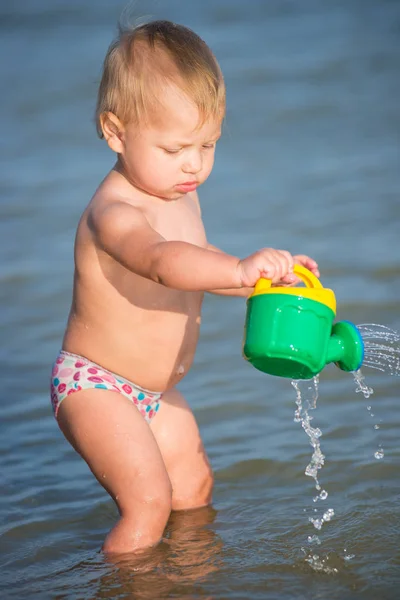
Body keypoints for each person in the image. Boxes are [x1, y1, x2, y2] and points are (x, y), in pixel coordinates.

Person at [50, 19, 320, 555]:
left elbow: (202, 263)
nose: (194, 164)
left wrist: (261, 282)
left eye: (208, 144)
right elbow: (161, 262)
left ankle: (190, 579)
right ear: (115, 131)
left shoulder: (180, 192)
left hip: (156, 392)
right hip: (96, 387)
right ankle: (126, 587)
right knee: (147, 503)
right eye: (175, 149)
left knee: (193, 488)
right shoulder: (114, 212)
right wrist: (238, 269)